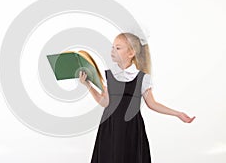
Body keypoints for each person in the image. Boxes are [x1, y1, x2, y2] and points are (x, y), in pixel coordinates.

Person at [79, 32, 196, 163]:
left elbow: (152, 104)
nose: (113, 50)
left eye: (118, 48)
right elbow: (105, 102)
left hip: (131, 129)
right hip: (110, 127)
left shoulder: (142, 78)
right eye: (112, 47)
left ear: (131, 53)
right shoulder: (109, 75)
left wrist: (178, 114)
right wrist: (88, 85)